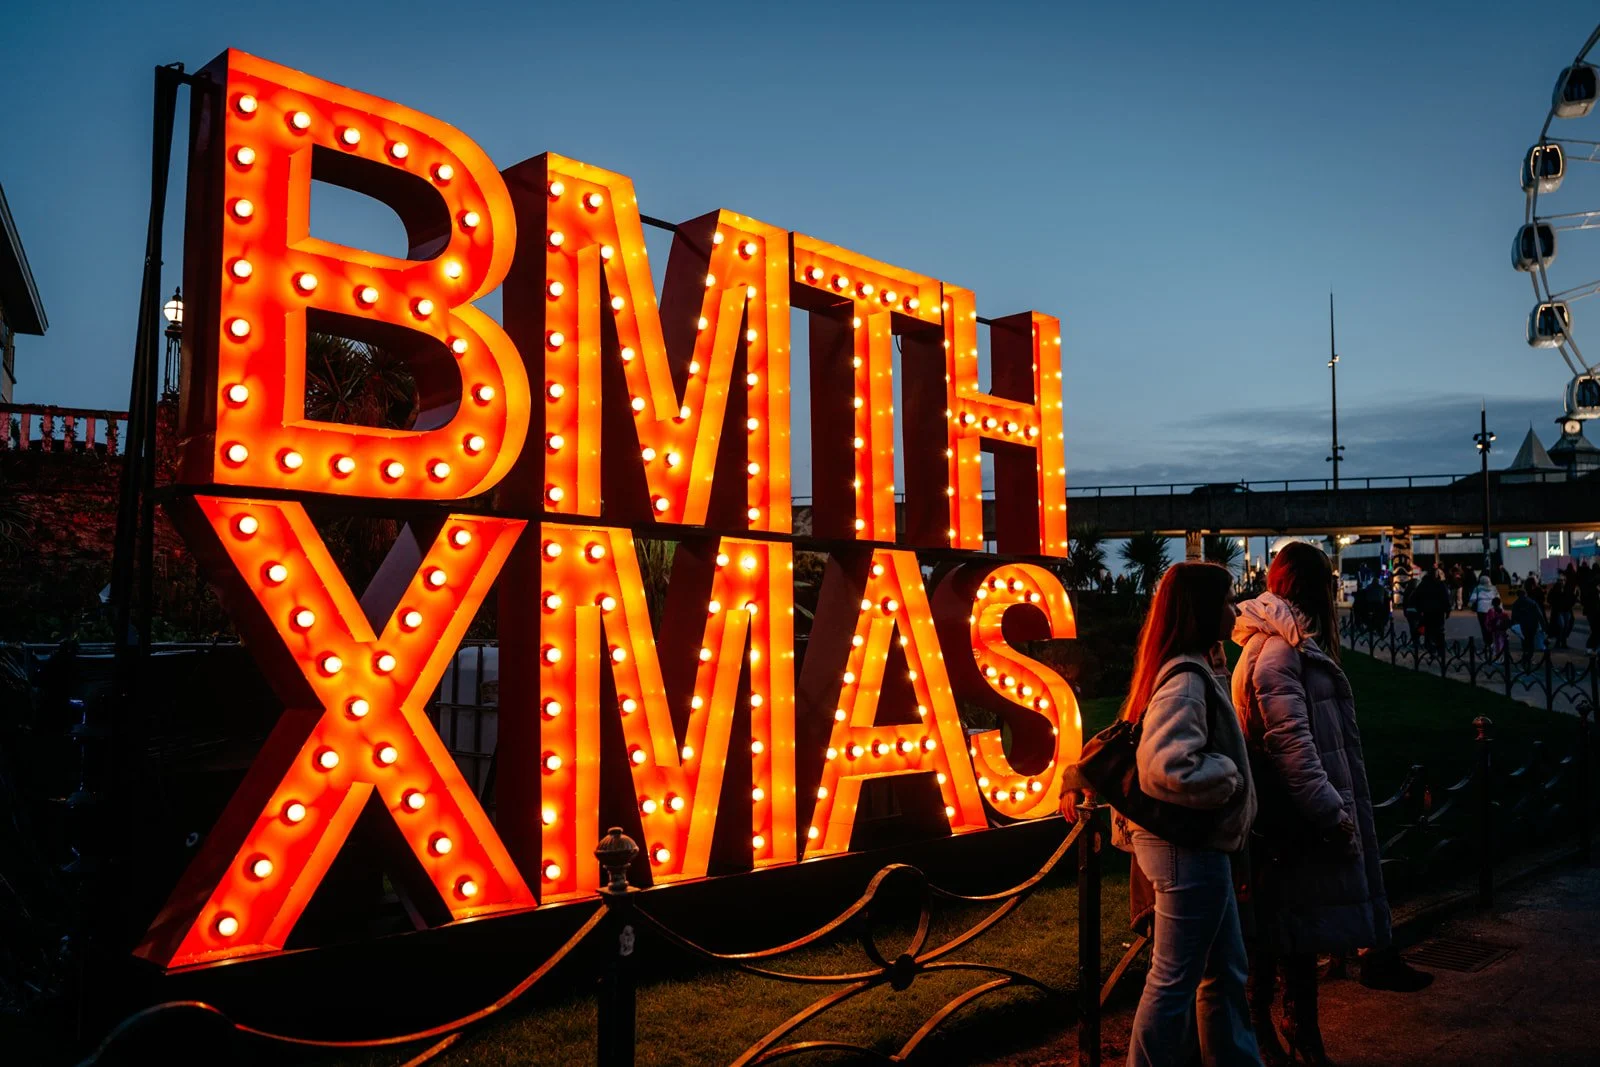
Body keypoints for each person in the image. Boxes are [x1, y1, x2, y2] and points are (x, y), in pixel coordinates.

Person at [1232, 543, 1430, 1067]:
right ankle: (1280, 1029)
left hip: (1296, 813)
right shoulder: (1280, 651)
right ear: (1312, 586)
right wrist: (1329, 810)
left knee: (1293, 927)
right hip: (1295, 817)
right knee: (1288, 927)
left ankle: (1294, 1030)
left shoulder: (1283, 645)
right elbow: (1290, 743)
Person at [1065, 562, 1259, 1067]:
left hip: (1188, 845)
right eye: (1224, 601)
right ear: (1199, 610)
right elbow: (1166, 767)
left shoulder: (1182, 668)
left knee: (1221, 969)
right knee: (1175, 980)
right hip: (1186, 846)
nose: (1233, 610)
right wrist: (1229, 777)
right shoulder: (1186, 680)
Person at [1413, 570, 1451, 654]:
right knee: (1439, 630)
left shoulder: (1423, 585)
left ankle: (1431, 648)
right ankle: (1440, 649)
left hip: (1427, 611)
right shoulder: (1440, 584)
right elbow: (1445, 598)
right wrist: (1447, 610)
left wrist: (1420, 609)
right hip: (1439, 611)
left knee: (1429, 630)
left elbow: (1415, 597)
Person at [1510, 588, 1547, 668]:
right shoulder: (1532, 602)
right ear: (1525, 594)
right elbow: (1539, 615)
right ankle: (1528, 657)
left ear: (1518, 595)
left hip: (1522, 625)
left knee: (1524, 641)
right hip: (1533, 624)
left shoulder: (1516, 603)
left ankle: (1525, 656)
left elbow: (1513, 617)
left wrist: (1512, 625)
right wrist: (1543, 626)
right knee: (1531, 642)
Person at [1467, 573, 1497, 644]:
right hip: (1492, 609)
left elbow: (1473, 599)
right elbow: (1498, 599)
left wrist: (1470, 605)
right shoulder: (1494, 588)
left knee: (1483, 626)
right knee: (1492, 625)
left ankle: (1486, 641)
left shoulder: (1477, 588)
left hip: (1481, 609)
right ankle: (1491, 641)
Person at [1548, 576, 1576, 649]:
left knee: (1565, 627)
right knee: (1561, 626)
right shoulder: (1554, 589)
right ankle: (1558, 642)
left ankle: (1563, 643)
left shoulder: (1567, 589)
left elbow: (1572, 598)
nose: (1561, 581)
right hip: (1559, 611)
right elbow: (1549, 599)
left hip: (1566, 611)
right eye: (1560, 580)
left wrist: (1572, 601)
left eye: (1563, 580)